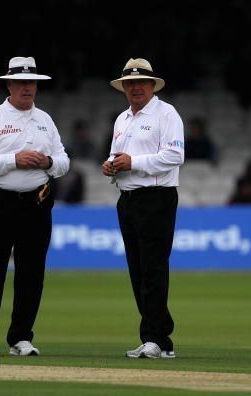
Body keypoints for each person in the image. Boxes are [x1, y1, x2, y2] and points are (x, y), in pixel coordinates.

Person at [0, 56, 69, 357]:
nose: (27, 88)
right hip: (0, 202)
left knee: (32, 272)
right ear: (9, 84)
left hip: (37, 203)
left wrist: (48, 162)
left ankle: (21, 338)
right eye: (21, 82)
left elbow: (63, 162)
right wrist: (14, 160)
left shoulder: (45, 120)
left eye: (32, 82)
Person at [102, 58, 184, 359]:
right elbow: (117, 154)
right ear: (123, 88)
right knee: (138, 270)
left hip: (157, 197)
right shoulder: (122, 119)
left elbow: (175, 156)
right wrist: (111, 165)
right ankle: (159, 337)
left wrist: (132, 163)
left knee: (153, 269)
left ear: (152, 85)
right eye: (130, 83)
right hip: (127, 199)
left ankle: (154, 338)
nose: (135, 87)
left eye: (141, 82)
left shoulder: (167, 113)